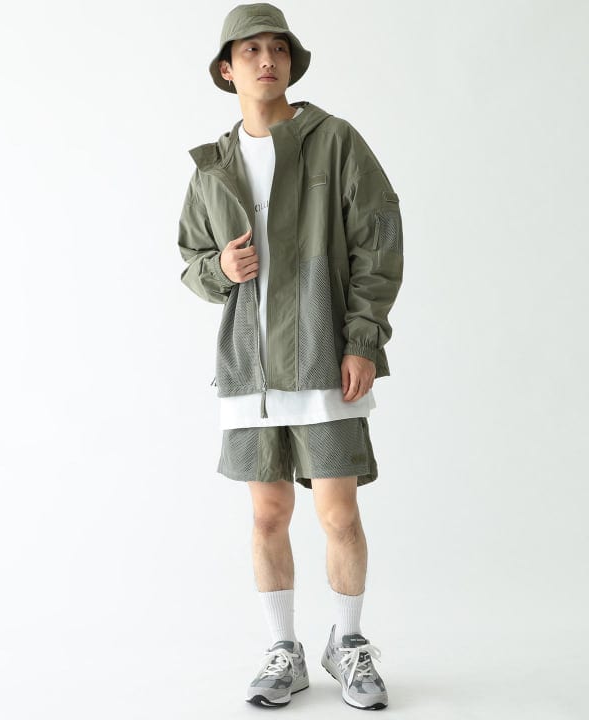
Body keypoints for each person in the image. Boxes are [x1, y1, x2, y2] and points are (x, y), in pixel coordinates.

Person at [177, 2, 404, 710]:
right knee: (268, 515)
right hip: (249, 369)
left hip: (322, 356)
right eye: (250, 51)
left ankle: (349, 643)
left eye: (277, 48)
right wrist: (220, 268)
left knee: (337, 512)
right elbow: (190, 262)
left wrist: (363, 339)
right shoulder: (212, 166)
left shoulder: (333, 141)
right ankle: (284, 650)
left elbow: (378, 238)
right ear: (227, 69)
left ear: (291, 62)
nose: (266, 60)